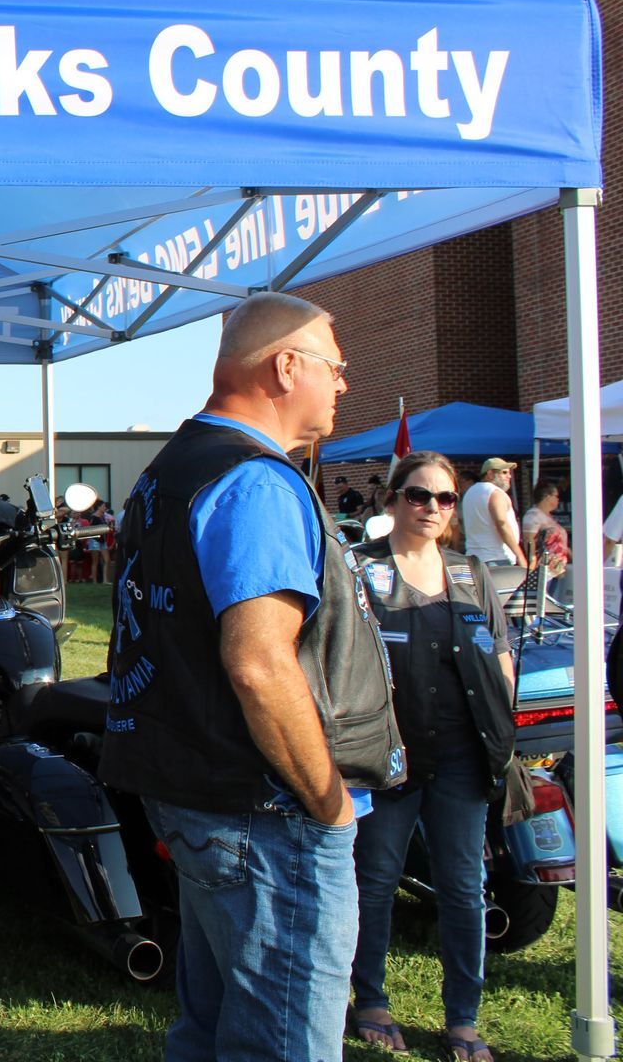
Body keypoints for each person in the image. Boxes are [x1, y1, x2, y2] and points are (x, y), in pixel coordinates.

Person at [100, 291, 405, 1062]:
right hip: (267, 811)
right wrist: (330, 804)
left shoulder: (169, 469)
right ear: (285, 366)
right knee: (282, 1044)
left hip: (202, 795)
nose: (342, 385)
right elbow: (259, 662)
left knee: (209, 1028)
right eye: (335, 368)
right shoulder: (255, 481)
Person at [349, 452, 514, 1062]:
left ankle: (463, 1019)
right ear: (392, 499)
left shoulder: (470, 573)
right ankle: (370, 999)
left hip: (462, 759)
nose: (433, 510)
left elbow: (499, 660)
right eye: (419, 496)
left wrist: (503, 732)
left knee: (463, 889)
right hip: (388, 760)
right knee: (375, 883)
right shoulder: (359, 572)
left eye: (445, 499)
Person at [460, 458, 527, 568]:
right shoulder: (495, 493)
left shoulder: (470, 493)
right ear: (490, 474)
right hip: (497, 558)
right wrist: (520, 555)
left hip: (474, 558)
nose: (509, 477)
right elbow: (502, 524)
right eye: (504, 472)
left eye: (509, 473)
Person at [520, 480, 570, 582]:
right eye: (556, 496)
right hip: (544, 569)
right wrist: (531, 560)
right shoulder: (533, 515)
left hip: (557, 569)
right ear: (548, 496)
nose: (558, 499)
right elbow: (528, 539)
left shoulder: (548, 517)